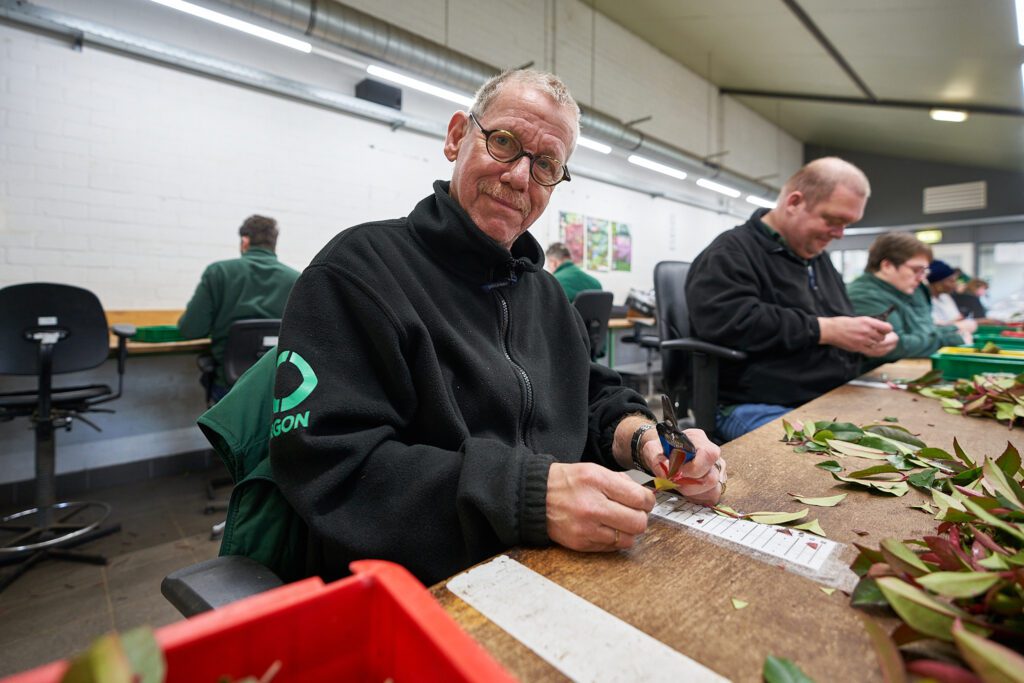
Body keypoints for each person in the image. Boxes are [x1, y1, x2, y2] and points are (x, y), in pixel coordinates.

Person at [268, 69, 726, 587]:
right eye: (504, 142)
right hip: (418, 584)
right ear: (456, 137)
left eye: (546, 164)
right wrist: (530, 496)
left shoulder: (547, 294)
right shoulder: (357, 272)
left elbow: (592, 397)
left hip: (549, 562)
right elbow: (333, 468)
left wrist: (646, 440)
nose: (520, 177)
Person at [685, 157, 898, 442]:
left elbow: (838, 319)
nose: (839, 234)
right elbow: (729, 322)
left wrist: (865, 340)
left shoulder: (817, 259)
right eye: (833, 220)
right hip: (753, 402)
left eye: (847, 224)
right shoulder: (731, 252)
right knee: (836, 456)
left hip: (823, 395)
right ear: (795, 202)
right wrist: (825, 330)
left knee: (898, 433)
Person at [178, 215, 299, 401]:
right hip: (278, 390)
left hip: (230, 390)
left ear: (245, 241)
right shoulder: (296, 279)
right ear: (273, 244)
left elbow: (190, 330)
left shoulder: (218, 272)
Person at [847, 232, 963, 369]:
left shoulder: (909, 290)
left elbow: (926, 330)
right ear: (887, 266)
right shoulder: (864, 295)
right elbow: (897, 346)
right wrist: (950, 338)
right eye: (916, 270)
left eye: (924, 271)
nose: (921, 278)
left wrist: (953, 329)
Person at [927, 260, 976, 343]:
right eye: (951, 281)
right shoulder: (926, 300)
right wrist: (955, 324)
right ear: (937, 283)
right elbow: (933, 327)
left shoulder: (946, 298)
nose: (955, 284)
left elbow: (957, 318)